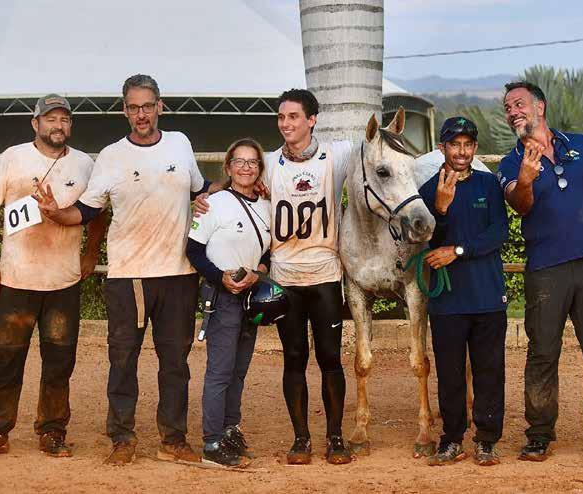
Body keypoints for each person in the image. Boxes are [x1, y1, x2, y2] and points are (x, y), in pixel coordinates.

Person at [34, 74, 210, 466]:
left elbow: (201, 189)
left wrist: (244, 188)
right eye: (133, 107)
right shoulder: (112, 155)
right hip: (129, 276)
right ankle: (122, 437)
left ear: (160, 106)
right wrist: (56, 212)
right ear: (124, 111)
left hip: (179, 274)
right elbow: (87, 210)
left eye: (147, 106)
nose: (141, 114)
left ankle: (173, 439)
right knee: (123, 359)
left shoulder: (180, 143)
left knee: (176, 363)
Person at [196, 88, 354, 464]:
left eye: (293, 116)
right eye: (281, 117)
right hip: (285, 279)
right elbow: (238, 179)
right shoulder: (267, 162)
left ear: (312, 119)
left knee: (331, 357)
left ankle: (335, 438)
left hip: (325, 273)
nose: (285, 123)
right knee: (294, 357)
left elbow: (379, 155)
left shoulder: (339, 154)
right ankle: (301, 439)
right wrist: (206, 196)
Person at [0, 94, 106, 462]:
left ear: (70, 125)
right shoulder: (12, 158)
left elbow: (98, 212)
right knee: (5, 360)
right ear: (36, 124)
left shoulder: (85, 164)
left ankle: (52, 430)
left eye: (64, 119)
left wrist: (91, 253)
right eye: (50, 119)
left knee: (59, 362)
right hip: (16, 280)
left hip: (63, 282)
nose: (57, 125)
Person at [497, 81, 583, 462]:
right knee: (542, 353)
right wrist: (526, 178)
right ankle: (539, 435)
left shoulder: (582, 145)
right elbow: (521, 206)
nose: (513, 111)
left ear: (541, 106)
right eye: (508, 107)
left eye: (519, 103)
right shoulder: (509, 163)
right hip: (545, 271)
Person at [419, 117, 509, 467]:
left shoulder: (489, 184)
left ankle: (487, 440)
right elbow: (428, 241)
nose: (461, 151)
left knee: (489, 370)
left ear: (475, 148)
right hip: (447, 300)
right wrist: (440, 209)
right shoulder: (428, 190)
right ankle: (452, 439)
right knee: (450, 373)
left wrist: (458, 251)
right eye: (454, 144)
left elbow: (498, 232)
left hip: (487, 296)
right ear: (442, 147)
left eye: (467, 145)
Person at [185, 138, 271, 467]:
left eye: (252, 162)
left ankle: (230, 430)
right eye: (239, 161)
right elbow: (193, 251)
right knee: (220, 371)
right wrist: (220, 277)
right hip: (222, 296)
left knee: (239, 370)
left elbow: (267, 251)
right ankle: (211, 442)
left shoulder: (266, 205)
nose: (246, 167)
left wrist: (258, 271)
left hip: (251, 295)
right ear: (228, 167)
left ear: (259, 169)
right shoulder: (214, 204)